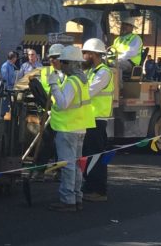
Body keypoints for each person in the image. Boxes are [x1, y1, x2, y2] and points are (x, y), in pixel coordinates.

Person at [47, 44, 89, 212]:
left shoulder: (72, 81)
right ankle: (76, 197)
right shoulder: (82, 79)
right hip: (79, 127)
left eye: (64, 62)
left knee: (68, 165)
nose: (61, 65)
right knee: (77, 165)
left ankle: (68, 200)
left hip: (68, 128)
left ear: (71, 63)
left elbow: (63, 103)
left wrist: (54, 85)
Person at [81, 38, 113, 202]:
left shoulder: (104, 72)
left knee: (95, 156)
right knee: (88, 154)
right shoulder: (90, 71)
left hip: (97, 120)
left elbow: (88, 92)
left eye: (86, 53)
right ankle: (89, 185)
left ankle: (99, 190)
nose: (84, 56)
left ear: (94, 54)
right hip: (88, 119)